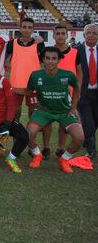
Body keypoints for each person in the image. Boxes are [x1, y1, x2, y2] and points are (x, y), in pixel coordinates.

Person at [18, 47, 83, 173]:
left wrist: (74, 107)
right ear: (43, 59)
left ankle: (64, 159)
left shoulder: (68, 74)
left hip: (64, 111)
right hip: (44, 111)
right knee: (28, 134)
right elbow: (28, 91)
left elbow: (77, 87)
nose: (50, 61)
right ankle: (37, 155)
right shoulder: (36, 75)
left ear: (59, 60)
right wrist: (13, 89)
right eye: (47, 58)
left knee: (79, 138)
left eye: (54, 58)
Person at [43, 24, 82, 158]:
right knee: (47, 121)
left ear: (67, 35)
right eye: (57, 33)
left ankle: (60, 148)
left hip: (68, 94)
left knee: (63, 123)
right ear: (53, 35)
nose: (60, 36)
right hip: (49, 92)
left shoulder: (75, 52)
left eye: (62, 33)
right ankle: (46, 147)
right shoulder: (48, 51)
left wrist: (77, 90)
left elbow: (79, 73)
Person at [5, 17, 44, 134]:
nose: (27, 30)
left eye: (29, 27)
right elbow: (5, 61)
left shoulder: (39, 44)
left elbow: (42, 62)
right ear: (20, 28)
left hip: (33, 85)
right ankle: (18, 134)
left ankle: (30, 135)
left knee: (33, 112)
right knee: (16, 112)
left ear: (33, 30)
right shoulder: (12, 43)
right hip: (16, 84)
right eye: (24, 27)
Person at [77, 23, 98, 158]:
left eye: (94, 33)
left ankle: (86, 140)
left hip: (97, 93)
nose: (91, 35)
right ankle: (91, 151)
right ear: (84, 35)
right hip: (83, 93)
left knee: (95, 121)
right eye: (89, 33)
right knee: (88, 122)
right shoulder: (76, 51)